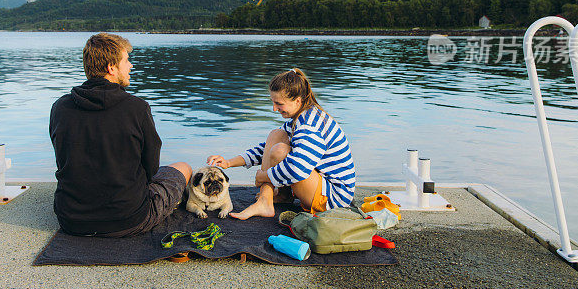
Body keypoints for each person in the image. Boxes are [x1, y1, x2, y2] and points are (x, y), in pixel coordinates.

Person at [49, 32, 192, 237]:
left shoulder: (60, 107)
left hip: (71, 220)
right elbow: (151, 169)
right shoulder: (137, 108)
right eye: (127, 60)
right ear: (111, 68)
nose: (131, 65)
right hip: (128, 220)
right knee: (183, 168)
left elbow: (63, 160)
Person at [208, 68, 356, 219]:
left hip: (333, 199)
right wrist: (228, 163)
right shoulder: (301, 117)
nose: (274, 109)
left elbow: (298, 169)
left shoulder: (309, 126)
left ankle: (266, 201)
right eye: (272, 102)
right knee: (276, 135)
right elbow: (264, 150)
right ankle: (273, 198)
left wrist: (265, 176)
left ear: (297, 100)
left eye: (279, 103)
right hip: (319, 184)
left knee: (280, 151)